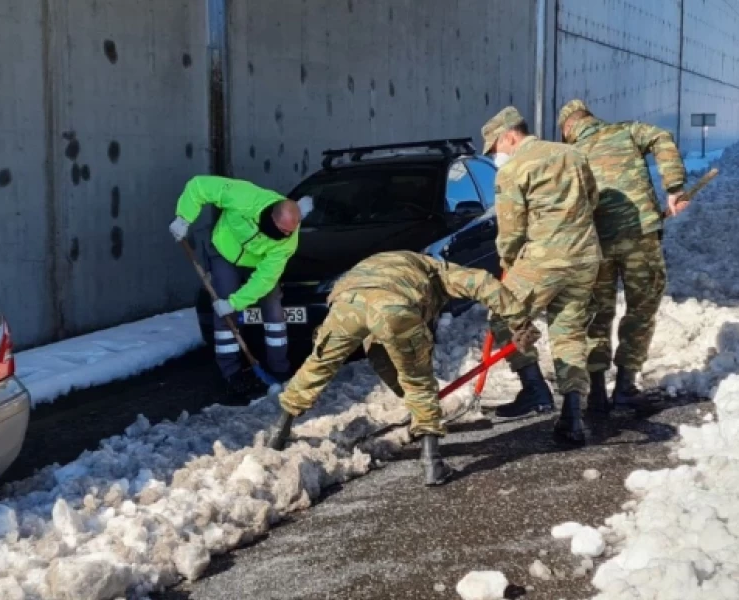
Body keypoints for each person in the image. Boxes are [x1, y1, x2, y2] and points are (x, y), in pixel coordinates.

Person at [264, 251, 541, 486]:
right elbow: (482, 283)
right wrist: (520, 322)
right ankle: (432, 463)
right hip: (394, 306)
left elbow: (382, 354)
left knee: (318, 365)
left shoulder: (389, 262)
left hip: (346, 301)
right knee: (418, 379)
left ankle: (279, 432)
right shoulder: (438, 271)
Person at [478, 106, 603, 446]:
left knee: (502, 316)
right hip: (585, 257)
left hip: (544, 259)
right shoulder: (572, 153)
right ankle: (573, 416)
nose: (497, 155)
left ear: (510, 136)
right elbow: (592, 198)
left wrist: (509, 262)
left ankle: (534, 390)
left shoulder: (514, 169)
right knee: (569, 333)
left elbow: (511, 229)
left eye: (496, 147)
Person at [555, 99, 687, 415]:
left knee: (596, 314)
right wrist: (675, 186)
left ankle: (597, 392)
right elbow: (661, 137)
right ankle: (625, 388)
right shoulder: (626, 131)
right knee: (641, 309)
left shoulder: (570, 155)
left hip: (595, 244)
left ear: (568, 128)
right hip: (639, 235)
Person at [169, 175, 313, 400]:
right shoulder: (244, 197)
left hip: (257, 265)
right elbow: (199, 186)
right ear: (271, 218)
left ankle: (279, 371)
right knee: (224, 312)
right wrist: (184, 218)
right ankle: (232, 374)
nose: (285, 236)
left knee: (274, 312)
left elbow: (265, 278)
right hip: (225, 253)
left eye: (289, 232)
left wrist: (236, 303)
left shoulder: (288, 241)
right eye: (282, 231)